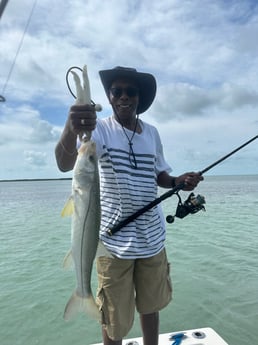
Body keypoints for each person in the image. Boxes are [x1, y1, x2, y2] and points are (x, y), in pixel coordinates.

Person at [55, 66, 203, 345]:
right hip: (113, 244)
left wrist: (178, 181)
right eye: (117, 91)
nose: (124, 96)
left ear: (139, 97)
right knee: (113, 320)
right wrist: (70, 127)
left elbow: (159, 173)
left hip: (152, 240)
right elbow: (64, 163)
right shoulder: (99, 131)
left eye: (130, 92)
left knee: (151, 308)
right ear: (110, 97)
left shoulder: (152, 134)